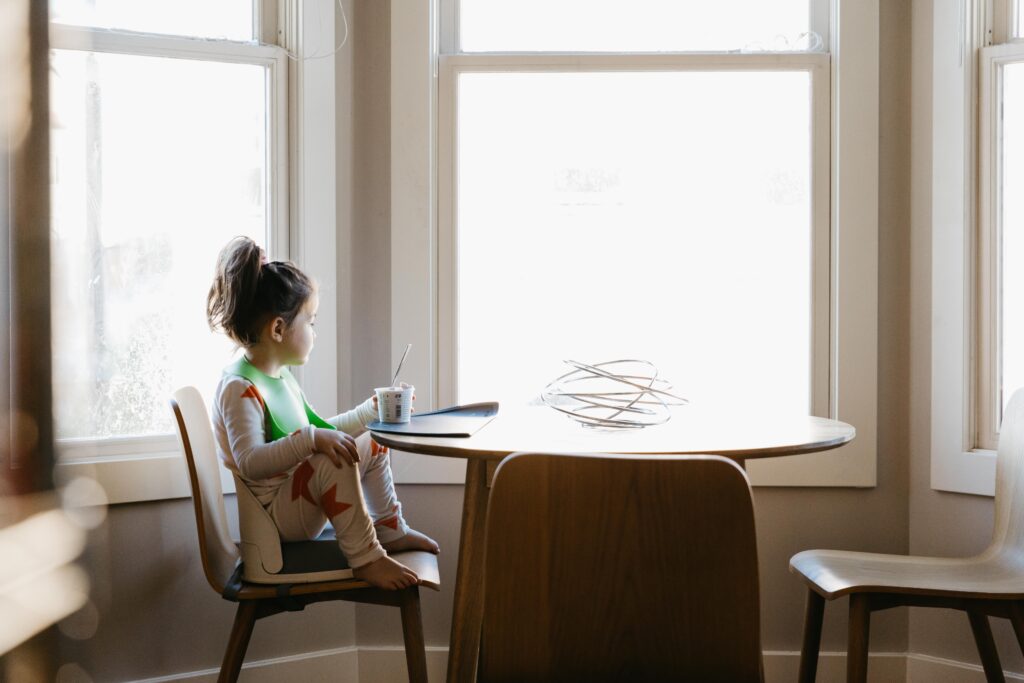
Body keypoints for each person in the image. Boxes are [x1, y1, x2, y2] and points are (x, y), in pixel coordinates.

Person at [206, 236, 439, 590]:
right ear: (279, 329)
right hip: (276, 521)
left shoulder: (278, 377)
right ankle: (367, 558)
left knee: (368, 442)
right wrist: (312, 441)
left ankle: (391, 529)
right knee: (333, 459)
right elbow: (251, 461)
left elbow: (320, 429)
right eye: (310, 322)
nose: (315, 332)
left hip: (298, 499)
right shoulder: (239, 387)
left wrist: (367, 413)